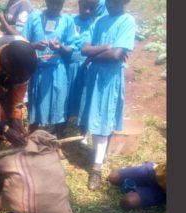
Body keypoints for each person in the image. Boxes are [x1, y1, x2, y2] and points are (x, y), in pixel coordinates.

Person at [78, 0, 136, 190]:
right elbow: (84, 48)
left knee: (103, 118)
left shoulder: (127, 21)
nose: (112, 4)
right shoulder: (100, 21)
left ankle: (96, 168)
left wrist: (93, 54)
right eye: (110, 0)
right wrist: (106, 48)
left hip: (109, 78)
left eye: (117, 1)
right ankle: (99, 153)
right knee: (95, 116)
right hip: (95, 75)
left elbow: (116, 54)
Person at [22, 0, 75, 140]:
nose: (55, 7)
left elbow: (70, 50)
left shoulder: (67, 20)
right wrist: (34, 45)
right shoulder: (34, 18)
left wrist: (60, 47)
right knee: (35, 104)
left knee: (59, 105)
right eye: (52, 3)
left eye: (59, 4)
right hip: (38, 71)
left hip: (58, 71)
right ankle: (32, 139)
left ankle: (58, 142)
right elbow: (21, 43)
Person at [67, 0, 99, 131]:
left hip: (87, 66)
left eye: (92, 8)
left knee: (84, 97)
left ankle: (82, 130)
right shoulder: (69, 21)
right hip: (68, 66)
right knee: (66, 96)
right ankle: (62, 126)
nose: (87, 11)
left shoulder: (97, 24)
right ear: (79, 4)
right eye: (85, 6)